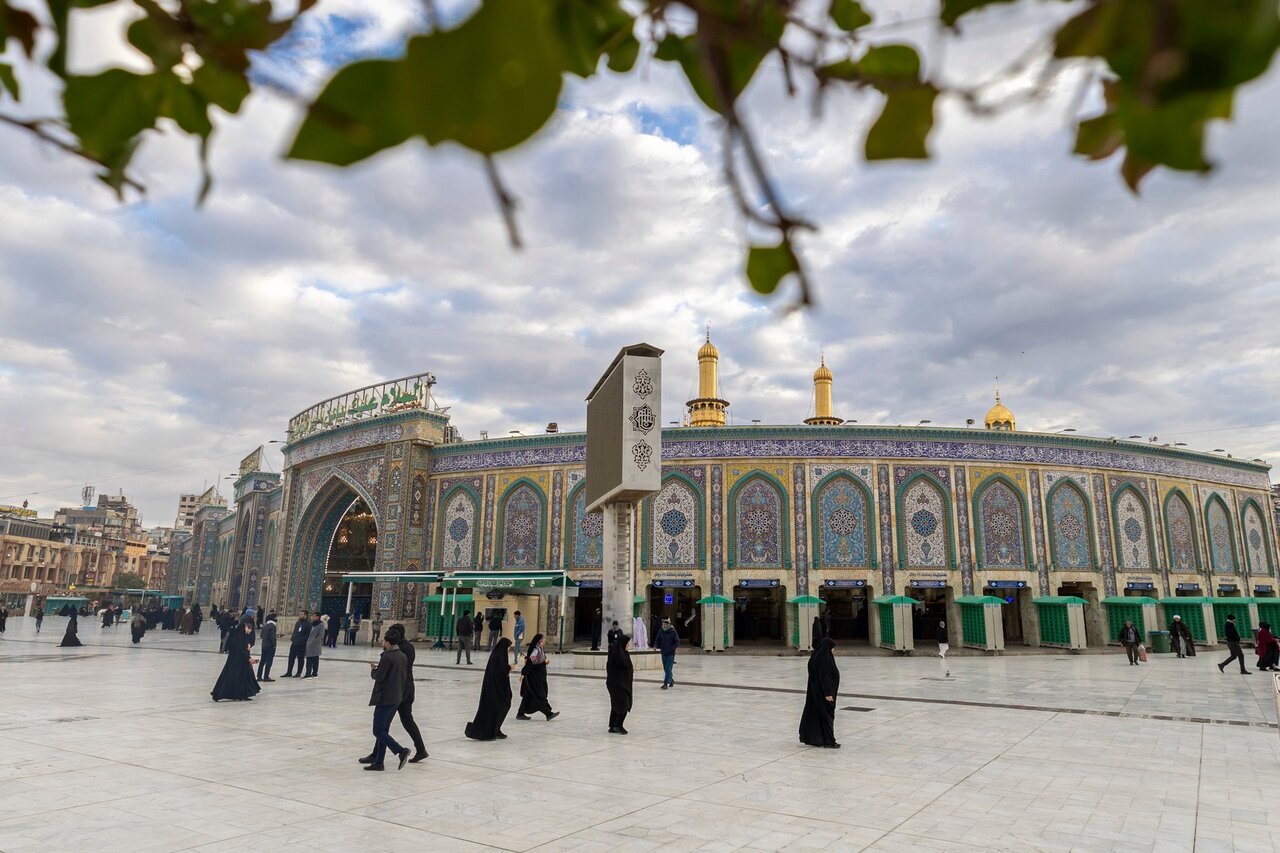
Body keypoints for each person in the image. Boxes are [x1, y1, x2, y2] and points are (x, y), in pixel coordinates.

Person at [362, 624, 429, 764]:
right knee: (403, 721)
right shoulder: (408, 647)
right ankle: (419, 749)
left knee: (382, 725)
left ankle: (386, 754)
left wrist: (376, 669)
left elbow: (387, 673)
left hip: (398, 689)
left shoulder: (396, 651)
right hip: (406, 687)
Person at [361, 632, 410, 771]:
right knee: (384, 730)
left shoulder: (387, 656)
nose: (382, 643)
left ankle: (401, 751)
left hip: (385, 697)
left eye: (383, 641)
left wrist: (373, 670)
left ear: (388, 643)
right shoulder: (402, 656)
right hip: (396, 697)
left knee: (377, 730)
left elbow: (379, 676)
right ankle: (379, 762)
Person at [465, 638, 515, 741]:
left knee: (502, 706)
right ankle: (489, 732)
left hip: (498, 688)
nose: (509, 649)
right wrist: (509, 667)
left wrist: (508, 668)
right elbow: (500, 671)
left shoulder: (500, 655)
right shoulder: (498, 656)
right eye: (508, 647)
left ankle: (496, 729)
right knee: (496, 708)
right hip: (494, 689)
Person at [799, 637, 840, 748]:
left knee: (817, 715)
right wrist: (828, 693)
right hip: (823, 694)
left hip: (815, 692)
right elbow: (825, 677)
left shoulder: (815, 657)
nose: (833, 650)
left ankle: (818, 738)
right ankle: (829, 741)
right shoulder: (825, 659)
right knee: (826, 716)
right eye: (832, 648)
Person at [211, 621, 260, 702]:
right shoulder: (238, 638)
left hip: (242, 662)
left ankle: (242, 695)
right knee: (231, 678)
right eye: (248, 628)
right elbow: (240, 650)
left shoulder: (243, 637)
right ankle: (218, 694)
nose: (250, 630)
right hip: (236, 662)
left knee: (242, 679)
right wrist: (248, 658)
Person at [516, 634, 560, 721]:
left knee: (529, 695)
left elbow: (539, 661)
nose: (544, 642)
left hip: (539, 676)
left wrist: (544, 662)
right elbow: (530, 662)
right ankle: (548, 713)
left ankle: (520, 713)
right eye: (543, 640)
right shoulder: (535, 650)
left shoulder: (540, 649)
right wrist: (523, 673)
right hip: (534, 677)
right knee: (538, 695)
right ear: (539, 642)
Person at [606, 633, 633, 734]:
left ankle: (613, 726)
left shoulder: (623, 653)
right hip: (618, 685)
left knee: (616, 705)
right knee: (623, 705)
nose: (628, 645)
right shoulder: (617, 655)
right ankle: (618, 725)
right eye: (627, 643)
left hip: (622, 684)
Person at [655, 617, 679, 689]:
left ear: (668, 624)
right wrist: (655, 646)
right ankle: (671, 680)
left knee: (668, 668)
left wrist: (672, 648)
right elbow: (657, 639)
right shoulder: (661, 631)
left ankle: (666, 684)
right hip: (663, 652)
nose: (663, 625)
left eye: (665, 624)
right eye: (662, 624)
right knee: (665, 668)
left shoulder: (673, 631)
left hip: (671, 653)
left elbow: (677, 641)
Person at [284, 610, 309, 677]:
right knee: (291, 658)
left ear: (305, 615)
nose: (300, 616)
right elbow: (295, 632)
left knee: (300, 658)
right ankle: (289, 672)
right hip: (294, 643)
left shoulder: (308, 624)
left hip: (301, 645)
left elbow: (308, 635)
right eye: (299, 614)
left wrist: (301, 640)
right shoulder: (298, 623)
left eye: (302, 614)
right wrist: (293, 638)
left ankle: (299, 672)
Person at [257, 612, 278, 682]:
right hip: (270, 646)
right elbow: (272, 636)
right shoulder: (272, 626)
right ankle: (266, 676)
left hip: (264, 645)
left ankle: (259, 676)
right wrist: (274, 644)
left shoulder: (265, 626)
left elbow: (261, 636)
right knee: (269, 661)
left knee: (262, 661)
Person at [304, 612, 324, 678]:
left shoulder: (321, 625)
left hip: (315, 645)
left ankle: (313, 673)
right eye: (312, 616)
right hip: (309, 644)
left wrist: (313, 641)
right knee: (309, 659)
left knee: (314, 660)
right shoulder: (311, 624)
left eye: (314, 616)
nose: (312, 617)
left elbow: (321, 635)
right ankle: (308, 673)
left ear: (318, 617)